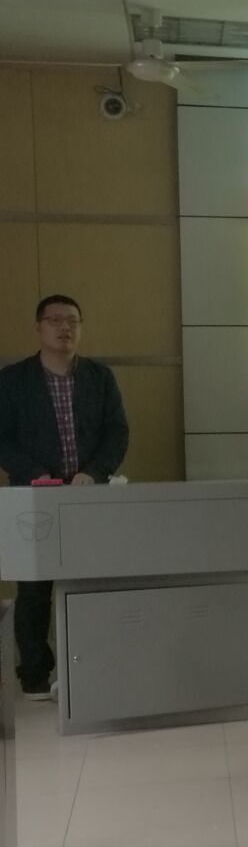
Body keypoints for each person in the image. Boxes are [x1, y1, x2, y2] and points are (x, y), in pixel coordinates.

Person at [0, 294, 129, 697]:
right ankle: (35, 675)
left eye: (72, 320)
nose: (64, 328)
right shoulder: (12, 380)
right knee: (34, 589)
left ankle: (93, 666)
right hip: (34, 498)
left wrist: (95, 472)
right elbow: (3, 438)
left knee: (92, 581)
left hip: (87, 495)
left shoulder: (99, 377)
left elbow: (117, 431)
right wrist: (35, 473)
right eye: (55, 320)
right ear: (38, 327)